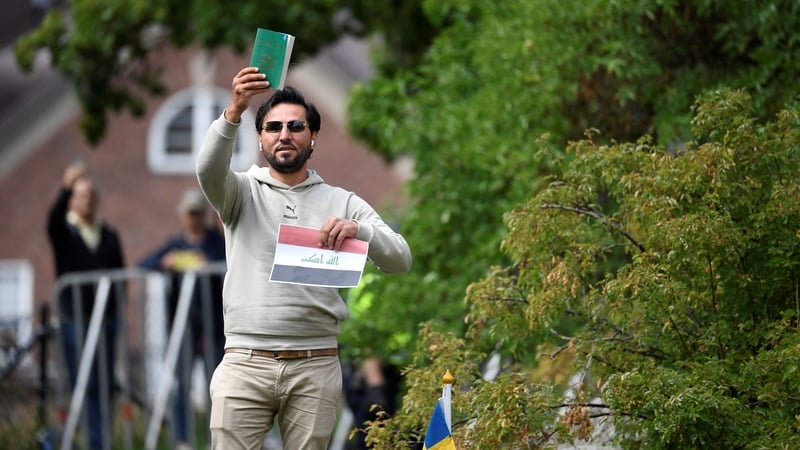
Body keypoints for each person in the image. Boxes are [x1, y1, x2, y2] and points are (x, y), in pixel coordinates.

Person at [196, 67, 412, 450]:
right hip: (245, 361)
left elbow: (400, 259)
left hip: (316, 363)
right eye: (273, 127)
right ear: (260, 137)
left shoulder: (341, 201)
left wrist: (359, 230)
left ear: (312, 137)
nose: (284, 134)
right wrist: (233, 112)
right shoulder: (241, 191)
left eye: (296, 126)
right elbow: (208, 171)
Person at [138, 189, 226, 448]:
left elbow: (231, 260)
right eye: (190, 214)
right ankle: (182, 440)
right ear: (182, 216)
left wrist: (207, 263)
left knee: (217, 387)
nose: (194, 219)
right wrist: (168, 262)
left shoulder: (217, 242)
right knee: (181, 386)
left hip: (214, 327)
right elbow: (144, 263)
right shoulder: (175, 244)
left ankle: (217, 440)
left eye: (199, 214)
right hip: (183, 326)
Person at [47, 161, 125, 450]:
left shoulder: (108, 234)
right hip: (75, 321)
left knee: (105, 387)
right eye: (80, 194)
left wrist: (116, 311)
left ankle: (100, 441)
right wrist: (67, 185)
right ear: (72, 199)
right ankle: (88, 442)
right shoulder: (65, 231)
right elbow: (52, 222)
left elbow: (120, 274)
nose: (86, 199)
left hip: (105, 321)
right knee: (85, 385)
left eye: (90, 194)